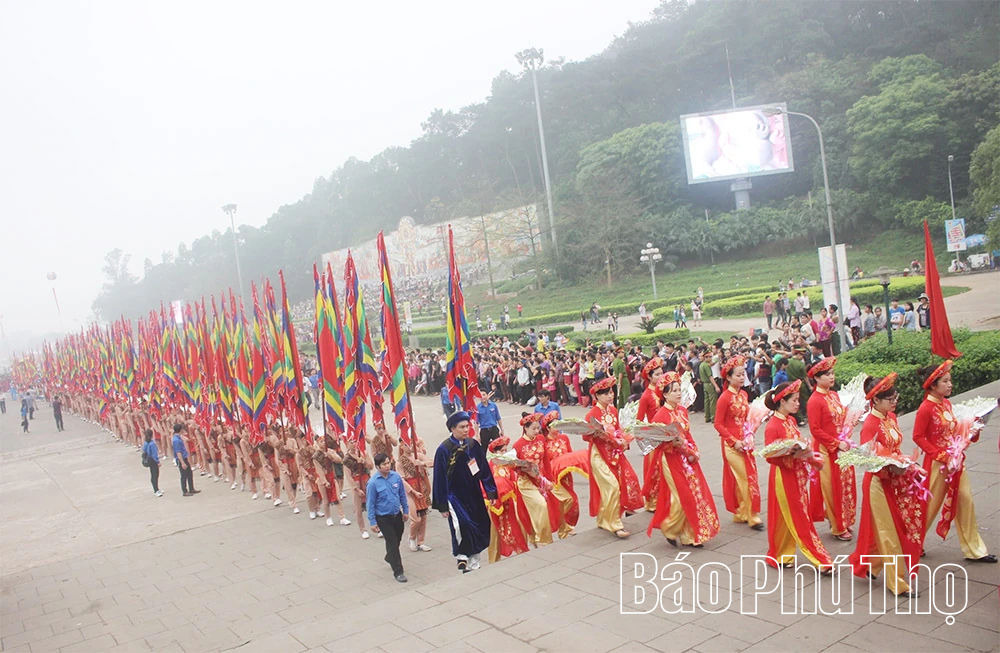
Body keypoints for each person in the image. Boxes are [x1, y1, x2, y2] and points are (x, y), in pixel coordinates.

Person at [848, 374, 927, 598]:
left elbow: (894, 449)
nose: (895, 401)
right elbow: (870, 461)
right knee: (888, 531)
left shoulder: (890, 417)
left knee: (880, 528)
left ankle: (869, 565)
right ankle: (897, 582)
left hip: (894, 478)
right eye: (890, 398)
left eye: (895, 396)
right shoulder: (870, 425)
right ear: (875, 401)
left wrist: (908, 464)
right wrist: (892, 467)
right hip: (877, 483)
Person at [913, 361, 996, 563]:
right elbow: (918, 436)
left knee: (965, 501)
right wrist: (941, 456)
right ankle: (913, 543)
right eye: (945, 381)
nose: (950, 385)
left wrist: (971, 430)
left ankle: (974, 549)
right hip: (937, 466)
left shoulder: (946, 404)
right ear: (933, 385)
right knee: (930, 506)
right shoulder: (926, 408)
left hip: (956, 462)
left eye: (950, 381)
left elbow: (956, 429)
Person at [762, 382, 833, 571]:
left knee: (786, 516)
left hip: (797, 476)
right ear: (782, 401)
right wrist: (793, 456)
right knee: (800, 517)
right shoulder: (772, 427)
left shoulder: (791, 421)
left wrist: (806, 453)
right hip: (784, 477)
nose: (797, 403)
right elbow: (770, 457)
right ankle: (820, 560)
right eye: (794, 400)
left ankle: (780, 554)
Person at [646, 372, 720, 547]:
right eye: (674, 391)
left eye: (680, 390)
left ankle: (688, 535)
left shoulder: (682, 411)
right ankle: (669, 528)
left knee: (693, 493)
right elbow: (656, 443)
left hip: (686, 457)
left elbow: (687, 434)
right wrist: (674, 444)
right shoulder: (660, 416)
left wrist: (693, 449)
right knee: (681, 496)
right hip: (670, 459)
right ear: (664, 394)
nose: (679, 393)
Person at [432, 411, 498, 573]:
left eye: (467, 426)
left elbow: (483, 469)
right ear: (452, 428)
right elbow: (439, 477)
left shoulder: (473, 445)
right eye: (461, 427)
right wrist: (442, 504)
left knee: (478, 526)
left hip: (473, 494)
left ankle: (473, 565)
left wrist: (490, 491)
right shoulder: (444, 449)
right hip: (454, 496)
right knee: (463, 525)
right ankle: (461, 555)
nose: (466, 429)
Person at [583, 378, 644, 538]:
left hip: (615, 453)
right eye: (606, 394)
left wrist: (624, 439)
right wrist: (597, 434)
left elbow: (618, 430)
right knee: (611, 486)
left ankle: (604, 519)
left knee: (625, 481)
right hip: (599, 455)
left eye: (611, 392)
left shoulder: (613, 411)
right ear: (596, 396)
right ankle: (615, 523)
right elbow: (585, 436)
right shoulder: (591, 414)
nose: (610, 396)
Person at [805, 357, 856, 541]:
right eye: (827, 375)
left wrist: (846, 432)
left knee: (844, 484)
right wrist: (835, 443)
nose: (831, 377)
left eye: (832, 373)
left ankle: (843, 518)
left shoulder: (833, 395)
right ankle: (838, 526)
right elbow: (815, 430)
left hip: (840, 446)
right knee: (831, 487)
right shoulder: (814, 401)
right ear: (817, 379)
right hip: (826, 449)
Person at [713, 356, 763, 531]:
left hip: (746, 442)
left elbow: (746, 418)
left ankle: (742, 512)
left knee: (749, 476)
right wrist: (733, 441)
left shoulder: (743, 394)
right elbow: (718, 424)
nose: (742, 378)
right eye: (738, 375)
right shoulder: (724, 398)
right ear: (728, 377)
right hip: (731, 445)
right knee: (744, 478)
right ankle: (752, 515)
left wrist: (750, 432)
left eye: (743, 374)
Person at [484, 437, 530, 562]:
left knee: (519, 523)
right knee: (494, 531)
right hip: (495, 503)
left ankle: (522, 549)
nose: (504, 453)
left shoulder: (509, 463)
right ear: (495, 452)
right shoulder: (489, 464)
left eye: (505, 450)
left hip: (510, 500)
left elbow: (515, 479)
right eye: (501, 451)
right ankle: (494, 558)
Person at [367, 452, 410, 583]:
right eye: (384, 464)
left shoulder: (395, 477)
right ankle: (398, 571)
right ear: (377, 467)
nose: (387, 466)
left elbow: (402, 495)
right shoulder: (373, 483)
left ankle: (390, 556)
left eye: (388, 463)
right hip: (383, 518)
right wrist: (372, 521)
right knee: (391, 542)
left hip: (396, 515)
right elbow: (370, 503)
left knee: (397, 538)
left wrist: (406, 510)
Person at [512, 413, 554, 547]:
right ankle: (543, 540)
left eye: (538, 428)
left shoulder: (541, 438)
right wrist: (525, 469)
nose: (537, 431)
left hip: (541, 480)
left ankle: (537, 536)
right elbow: (515, 468)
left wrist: (549, 478)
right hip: (526, 483)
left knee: (539, 509)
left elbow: (546, 459)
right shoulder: (518, 446)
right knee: (541, 505)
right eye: (534, 429)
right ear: (525, 428)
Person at [398, 437, 433, 552]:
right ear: (402, 446)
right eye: (407, 444)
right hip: (410, 490)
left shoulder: (418, 455)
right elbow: (401, 479)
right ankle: (412, 537)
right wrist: (412, 491)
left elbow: (432, 462)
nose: (410, 446)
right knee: (416, 519)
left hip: (422, 486)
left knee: (423, 517)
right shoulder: (400, 462)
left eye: (411, 443)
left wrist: (422, 463)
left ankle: (421, 541)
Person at [172, 423, 199, 496]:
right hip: (181, 459)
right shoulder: (176, 440)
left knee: (189, 473)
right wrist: (182, 462)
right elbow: (178, 452)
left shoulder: (178, 437)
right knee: (184, 475)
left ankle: (191, 488)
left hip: (184, 458)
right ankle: (185, 491)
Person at [698, 350, 718, 423]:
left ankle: (707, 416)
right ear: (706, 357)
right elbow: (710, 377)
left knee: (706, 401)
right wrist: (716, 386)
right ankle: (713, 417)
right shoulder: (706, 365)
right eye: (709, 357)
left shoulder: (701, 365)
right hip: (709, 383)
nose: (710, 359)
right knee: (712, 401)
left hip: (704, 384)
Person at [142, 429, 163, 497]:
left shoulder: (145, 443)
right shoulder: (152, 443)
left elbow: (144, 450)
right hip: (153, 461)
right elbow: (154, 454)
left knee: (153, 474)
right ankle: (156, 490)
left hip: (149, 460)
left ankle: (156, 488)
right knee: (155, 475)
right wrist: (158, 462)